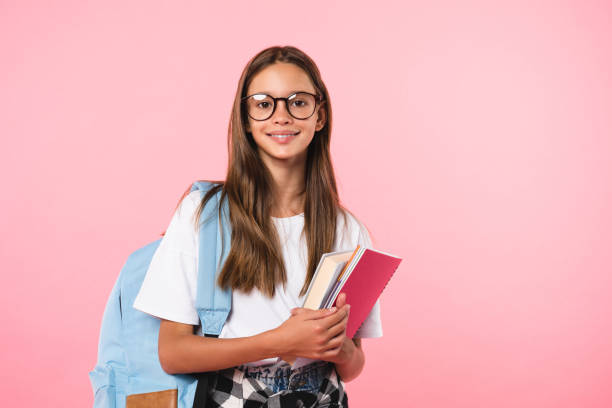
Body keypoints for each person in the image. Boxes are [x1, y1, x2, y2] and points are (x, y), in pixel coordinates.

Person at [133, 45, 382, 407]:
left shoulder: (349, 230)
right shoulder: (202, 216)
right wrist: (280, 341)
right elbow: (173, 353)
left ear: (320, 115)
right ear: (246, 119)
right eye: (264, 104)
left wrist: (338, 347)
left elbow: (353, 365)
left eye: (298, 102)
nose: (281, 116)